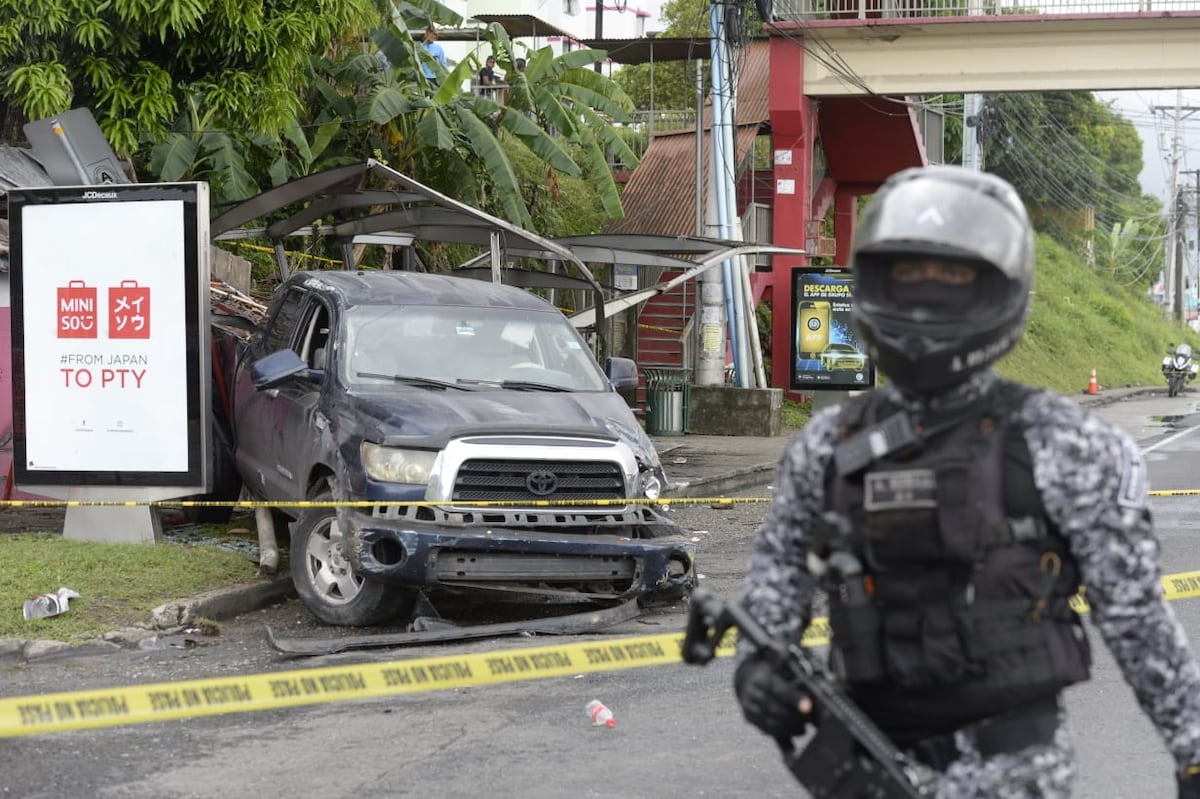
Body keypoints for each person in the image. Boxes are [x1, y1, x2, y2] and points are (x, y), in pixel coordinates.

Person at [733, 164, 1200, 798]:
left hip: (1016, 776)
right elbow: (771, 601)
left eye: (950, 276)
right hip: (863, 770)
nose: (926, 295)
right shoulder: (826, 446)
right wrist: (759, 675)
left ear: (995, 289)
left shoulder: (1065, 443)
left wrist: (1192, 750)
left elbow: (1138, 620)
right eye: (908, 275)